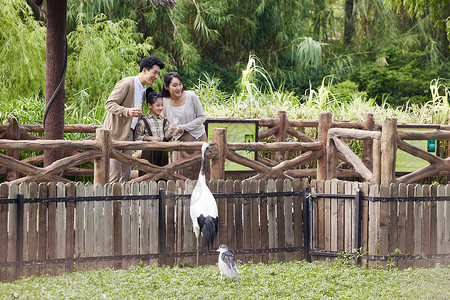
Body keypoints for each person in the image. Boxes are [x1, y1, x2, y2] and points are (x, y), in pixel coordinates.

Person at [104, 56, 165, 183]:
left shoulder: (143, 89)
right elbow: (109, 104)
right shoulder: (127, 83)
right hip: (115, 134)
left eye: (158, 73)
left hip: (129, 135)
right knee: (114, 174)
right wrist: (127, 111)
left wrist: (156, 116)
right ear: (144, 70)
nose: (157, 76)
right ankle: (110, 202)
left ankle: (122, 202)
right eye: (155, 72)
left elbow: (138, 114)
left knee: (125, 174)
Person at [161, 71, 209, 180]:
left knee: (200, 173)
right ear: (166, 87)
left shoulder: (191, 96)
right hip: (179, 142)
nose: (179, 88)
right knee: (178, 175)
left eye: (180, 84)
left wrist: (182, 128)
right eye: (174, 85)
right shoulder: (164, 102)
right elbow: (163, 123)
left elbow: (202, 117)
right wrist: (171, 130)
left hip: (198, 139)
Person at [134, 90, 176, 177]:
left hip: (162, 154)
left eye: (162, 105)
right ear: (149, 105)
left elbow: (165, 137)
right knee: (147, 178)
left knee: (162, 178)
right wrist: (150, 138)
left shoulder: (164, 121)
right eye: (158, 105)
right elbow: (137, 137)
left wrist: (171, 132)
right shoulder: (144, 121)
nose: (160, 108)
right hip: (148, 154)